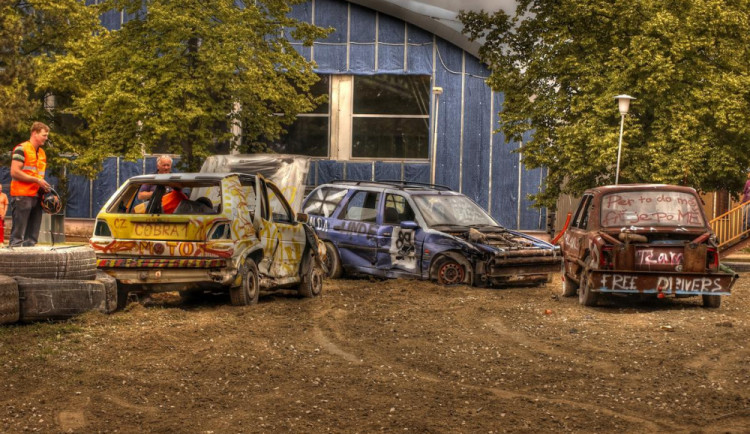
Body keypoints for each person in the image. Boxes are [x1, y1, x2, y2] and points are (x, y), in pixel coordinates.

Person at [9, 122, 51, 247]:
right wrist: (36, 180)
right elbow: (14, 172)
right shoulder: (21, 149)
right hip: (22, 195)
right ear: (34, 133)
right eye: (44, 135)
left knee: (32, 238)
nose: (46, 138)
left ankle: (30, 261)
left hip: (37, 196)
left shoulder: (42, 153)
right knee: (18, 236)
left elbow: (38, 175)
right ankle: (14, 261)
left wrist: (45, 189)